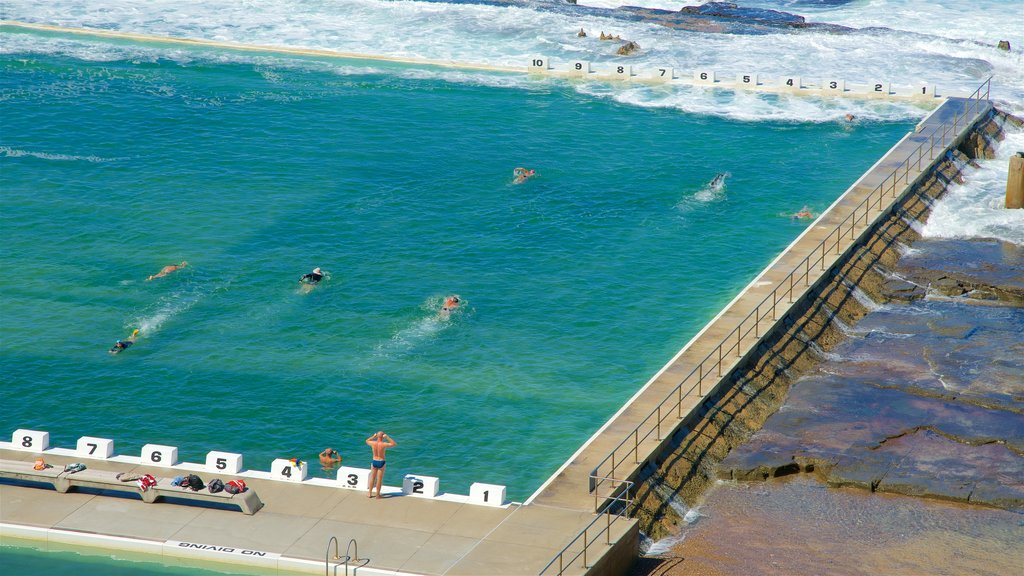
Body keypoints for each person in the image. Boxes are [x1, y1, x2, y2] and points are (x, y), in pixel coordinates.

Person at [365, 431, 396, 499]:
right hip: (381, 462)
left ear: (377, 436)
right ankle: (377, 495)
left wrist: (373, 436)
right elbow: (394, 444)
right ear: (383, 436)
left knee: (372, 478)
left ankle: (369, 493)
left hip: (374, 461)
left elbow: (367, 440)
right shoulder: (384, 444)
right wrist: (387, 437)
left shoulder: (373, 443)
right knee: (379, 479)